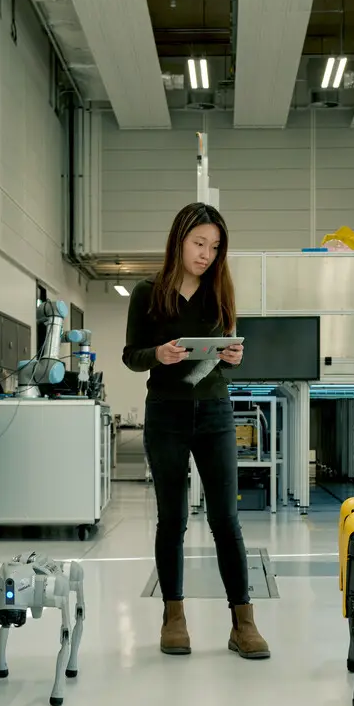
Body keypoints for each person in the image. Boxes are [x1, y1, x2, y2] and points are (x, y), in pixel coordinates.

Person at [122, 202, 270, 661]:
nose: (206, 255)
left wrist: (232, 358)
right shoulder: (148, 293)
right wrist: (157, 355)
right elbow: (131, 355)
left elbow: (223, 353)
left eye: (214, 247)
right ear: (179, 241)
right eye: (199, 244)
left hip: (214, 413)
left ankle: (243, 621)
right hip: (165, 414)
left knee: (226, 518)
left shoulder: (218, 292)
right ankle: (174, 617)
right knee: (173, 520)